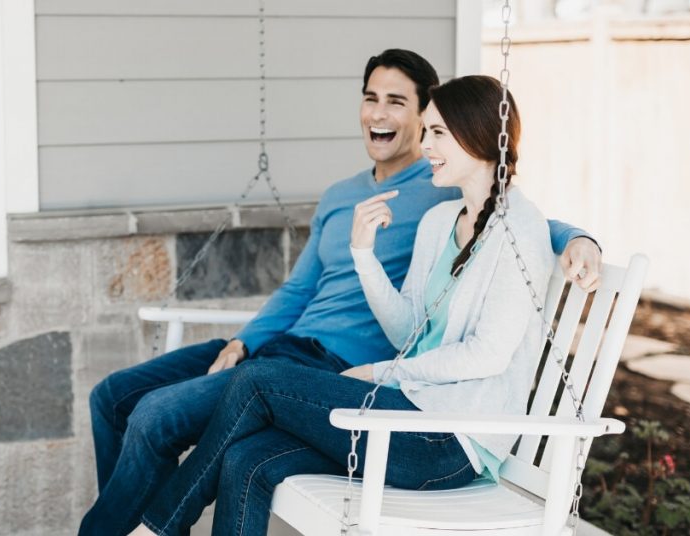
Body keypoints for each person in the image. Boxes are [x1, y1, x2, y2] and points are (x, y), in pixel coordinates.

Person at [80, 50, 600, 535]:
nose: (427, 145)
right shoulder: (442, 219)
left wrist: (578, 238)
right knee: (245, 458)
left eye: (437, 132)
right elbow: (404, 329)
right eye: (372, 98)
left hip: (448, 439)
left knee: (252, 383)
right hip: (402, 406)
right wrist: (363, 256)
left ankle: (161, 521)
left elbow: (489, 345)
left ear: (475, 137)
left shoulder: (514, 225)